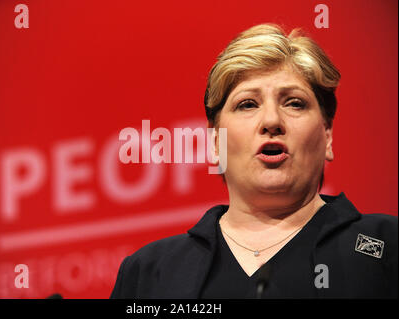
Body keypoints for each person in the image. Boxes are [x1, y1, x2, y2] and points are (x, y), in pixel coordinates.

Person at [110, 24, 397, 298]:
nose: (272, 120)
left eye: (294, 103)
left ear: (328, 136)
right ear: (214, 143)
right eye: (247, 104)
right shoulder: (148, 273)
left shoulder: (387, 245)